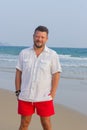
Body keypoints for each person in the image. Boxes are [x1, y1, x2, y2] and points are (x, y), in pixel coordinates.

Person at [15, 25, 62, 130]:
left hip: (44, 96)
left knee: (46, 124)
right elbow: (18, 72)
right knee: (24, 124)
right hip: (26, 95)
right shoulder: (24, 53)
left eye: (42, 37)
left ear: (46, 39)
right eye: (37, 36)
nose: (39, 39)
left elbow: (56, 74)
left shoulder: (52, 55)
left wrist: (53, 93)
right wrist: (18, 91)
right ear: (33, 36)